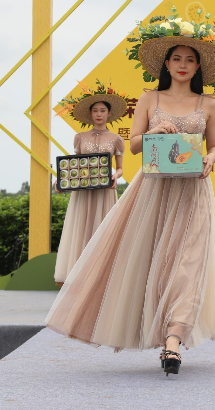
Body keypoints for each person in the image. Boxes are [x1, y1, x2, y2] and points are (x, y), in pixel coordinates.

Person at [46, 11, 215, 375]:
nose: (183, 65)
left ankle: (173, 340)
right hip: (154, 189)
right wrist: (154, 132)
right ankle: (157, 331)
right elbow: (134, 145)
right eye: (177, 58)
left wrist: (211, 158)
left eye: (190, 59)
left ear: (198, 67)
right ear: (166, 63)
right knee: (152, 260)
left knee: (190, 262)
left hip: (194, 190)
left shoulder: (209, 104)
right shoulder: (150, 99)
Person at [53, 82, 127, 286]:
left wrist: (115, 176)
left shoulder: (116, 139)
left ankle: (101, 276)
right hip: (82, 191)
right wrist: (61, 180)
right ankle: (79, 276)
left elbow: (120, 168)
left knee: (103, 228)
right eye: (95, 110)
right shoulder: (80, 137)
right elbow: (74, 165)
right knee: (81, 228)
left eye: (102, 110)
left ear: (109, 113)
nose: (99, 114)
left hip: (105, 191)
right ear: (90, 114)